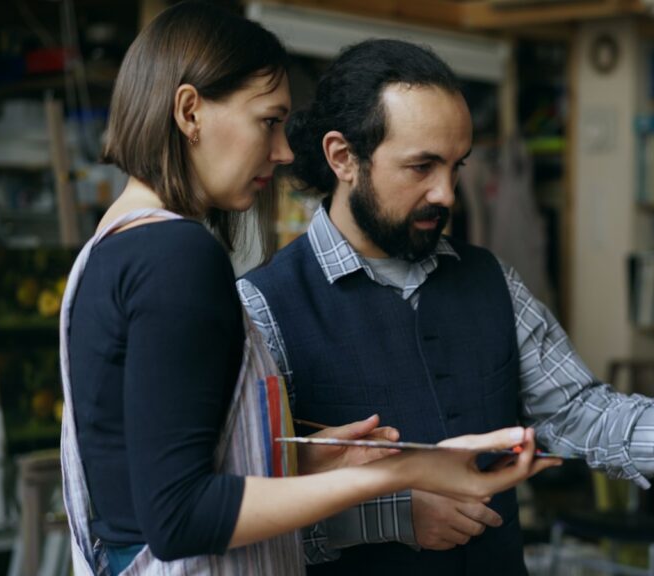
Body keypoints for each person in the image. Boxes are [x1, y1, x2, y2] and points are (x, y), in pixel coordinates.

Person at [238, 38, 654, 576]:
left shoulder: (490, 280)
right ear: (342, 157)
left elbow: (583, 415)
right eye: (421, 167)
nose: (447, 194)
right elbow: (236, 509)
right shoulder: (263, 309)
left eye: (455, 167)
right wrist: (390, 516)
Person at [61, 5, 557, 575]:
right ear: (190, 111)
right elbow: (178, 517)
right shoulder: (177, 256)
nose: (283, 152)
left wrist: (300, 461)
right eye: (269, 121)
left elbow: (142, 485)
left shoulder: (108, 249)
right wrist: (406, 470)